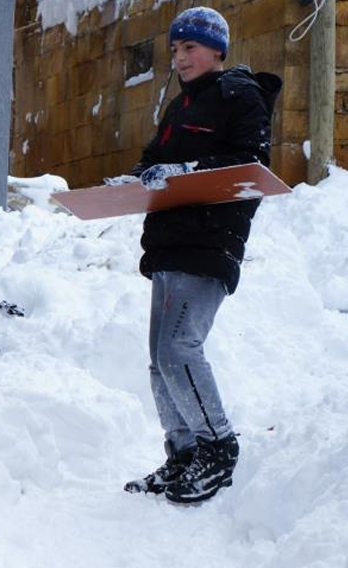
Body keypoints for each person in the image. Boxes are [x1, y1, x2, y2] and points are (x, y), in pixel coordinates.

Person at [114, 7, 281, 504]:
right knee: (158, 360)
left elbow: (250, 165)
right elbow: (152, 162)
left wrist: (183, 169)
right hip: (169, 241)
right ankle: (183, 452)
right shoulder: (179, 107)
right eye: (175, 50)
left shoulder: (241, 95)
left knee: (178, 350)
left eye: (189, 48)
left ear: (217, 51)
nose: (179, 58)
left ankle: (217, 447)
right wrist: (135, 178)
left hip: (211, 241)